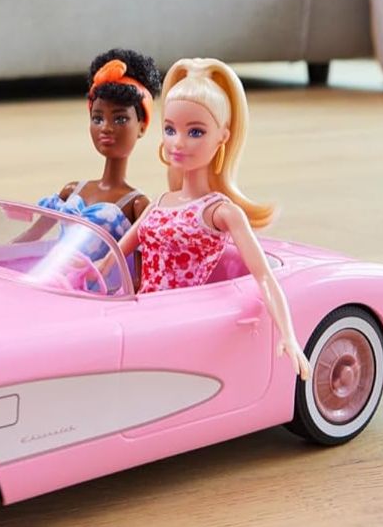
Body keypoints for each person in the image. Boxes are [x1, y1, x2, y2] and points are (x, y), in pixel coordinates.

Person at [117, 58, 310, 379]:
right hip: (140, 315)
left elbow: (264, 277)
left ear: (222, 137)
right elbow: (113, 256)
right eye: (170, 129)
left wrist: (289, 335)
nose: (178, 142)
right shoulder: (160, 203)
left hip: (182, 323)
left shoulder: (220, 212)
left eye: (195, 132)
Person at [30, 49, 160, 284]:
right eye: (97, 118)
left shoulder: (137, 205)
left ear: (141, 126)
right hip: (51, 280)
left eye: (120, 119)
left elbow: (141, 276)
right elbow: (31, 237)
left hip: (97, 291)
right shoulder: (72, 190)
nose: (106, 128)